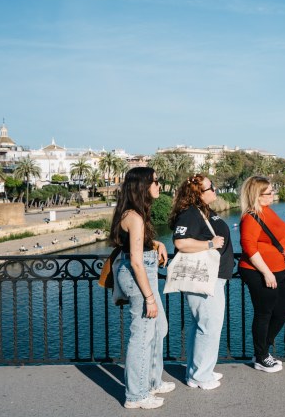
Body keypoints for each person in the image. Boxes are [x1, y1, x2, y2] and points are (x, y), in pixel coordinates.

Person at [110, 167, 173, 409]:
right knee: (142, 336)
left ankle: (152, 381)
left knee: (158, 328)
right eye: (155, 182)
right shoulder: (134, 217)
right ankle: (136, 396)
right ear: (142, 186)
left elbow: (135, 246)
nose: (159, 186)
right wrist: (149, 298)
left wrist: (156, 243)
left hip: (142, 272)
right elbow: (136, 260)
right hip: (139, 277)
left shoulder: (133, 213)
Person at [239, 176, 285, 373]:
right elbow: (249, 248)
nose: (273, 194)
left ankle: (261, 350)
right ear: (257, 195)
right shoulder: (250, 217)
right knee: (264, 314)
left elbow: (279, 234)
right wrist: (265, 272)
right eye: (269, 192)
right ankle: (261, 356)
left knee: (282, 312)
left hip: (279, 269)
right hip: (258, 272)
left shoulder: (268, 212)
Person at [169, 174, 234, 390]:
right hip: (206, 278)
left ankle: (199, 369)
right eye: (211, 187)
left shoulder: (204, 212)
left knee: (203, 326)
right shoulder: (190, 214)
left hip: (215, 278)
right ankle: (200, 376)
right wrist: (210, 244)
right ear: (199, 193)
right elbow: (180, 242)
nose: (215, 189)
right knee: (209, 326)